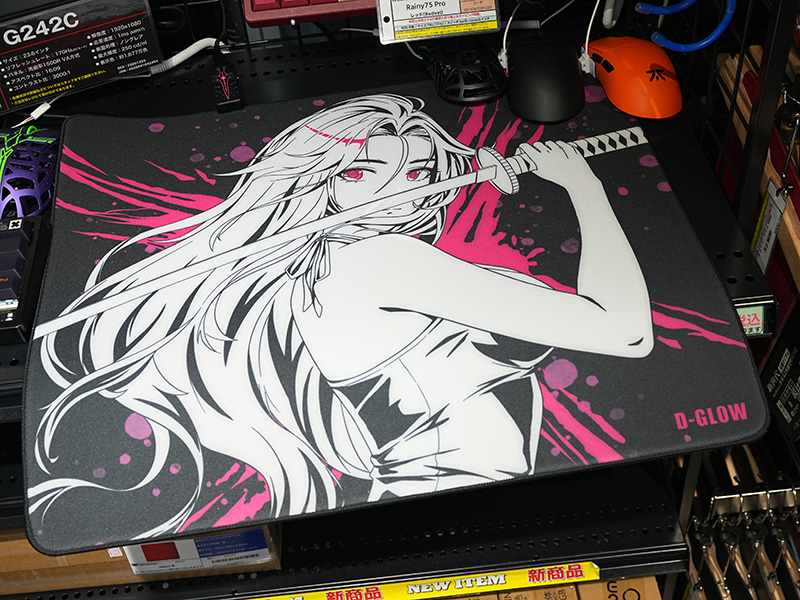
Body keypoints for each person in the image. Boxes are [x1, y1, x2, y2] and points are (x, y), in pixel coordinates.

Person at [29, 93, 653, 538]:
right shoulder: (379, 261)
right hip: (472, 504)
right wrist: (584, 188)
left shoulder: (326, 267)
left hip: (466, 502)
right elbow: (625, 331)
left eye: (418, 171)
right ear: (320, 181)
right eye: (363, 172)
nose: (397, 190)